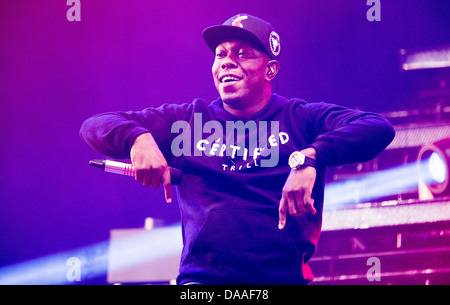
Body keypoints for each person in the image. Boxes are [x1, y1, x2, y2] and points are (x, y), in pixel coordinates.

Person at [80, 14, 395, 285]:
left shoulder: (300, 118)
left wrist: (310, 158)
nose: (227, 61)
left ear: (270, 70)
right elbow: (94, 125)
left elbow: (376, 128)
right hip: (203, 282)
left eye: (243, 53)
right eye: (220, 54)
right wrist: (137, 137)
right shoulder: (187, 120)